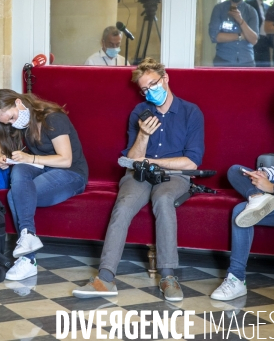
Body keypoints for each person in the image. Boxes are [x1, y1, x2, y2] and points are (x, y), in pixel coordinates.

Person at [72, 57, 204, 302]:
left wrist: (152, 162)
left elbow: (191, 162)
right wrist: (143, 134)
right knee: (123, 205)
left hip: (174, 176)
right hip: (139, 173)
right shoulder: (139, 113)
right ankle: (105, 278)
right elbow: (132, 159)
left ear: (165, 79)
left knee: (163, 199)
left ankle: (168, 276)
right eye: (144, 89)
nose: (149, 92)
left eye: (153, 85)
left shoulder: (190, 112)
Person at [211, 72, 274, 301]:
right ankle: (257, 197)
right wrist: (265, 174)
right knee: (235, 170)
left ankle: (236, 279)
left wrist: (272, 188)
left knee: (241, 212)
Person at [0, 89, 88, 281]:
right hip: (43, 168)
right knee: (19, 170)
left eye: (11, 117)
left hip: (71, 173)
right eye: (7, 122)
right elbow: (0, 140)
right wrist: (0, 155)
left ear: (19, 103)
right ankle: (28, 237)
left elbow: (66, 160)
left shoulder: (53, 119)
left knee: (13, 196)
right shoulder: (21, 121)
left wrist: (29, 157)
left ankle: (28, 260)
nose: (11, 123)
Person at [208, 0, 259, 67]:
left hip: (247, 61)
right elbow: (215, 37)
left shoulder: (251, 11)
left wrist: (240, 20)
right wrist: (241, 35)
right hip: (223, 60)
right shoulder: (219, 9)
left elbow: (254, 40)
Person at [245, 0, 271, 67]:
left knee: (266, 65)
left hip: (265, 40)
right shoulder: (249, 4)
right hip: (255, 38)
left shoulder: (268, 7)